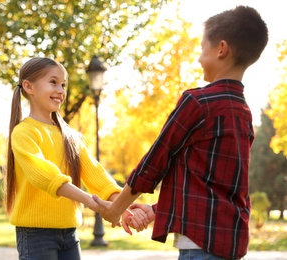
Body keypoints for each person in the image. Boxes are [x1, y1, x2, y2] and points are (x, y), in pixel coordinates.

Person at [93, 5, 268, 260]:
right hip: (230, 244)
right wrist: (156, 210)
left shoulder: (198, 102)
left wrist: (115, 208)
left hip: (199, 247)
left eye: (201, 48)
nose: (198, 58)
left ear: (221, 49)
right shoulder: (243, 112)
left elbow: (155, 161)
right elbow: (214, 185)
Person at [4, 57, 125, 260]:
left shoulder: (70, 136)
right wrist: (90, 201)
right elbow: (45, 176)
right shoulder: (23, 132)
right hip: (36, 234)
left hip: (69, 232)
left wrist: (119, 204)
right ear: (28, 86)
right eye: (53, 82)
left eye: (63, 84)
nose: (61, 90)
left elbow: (95, 173)